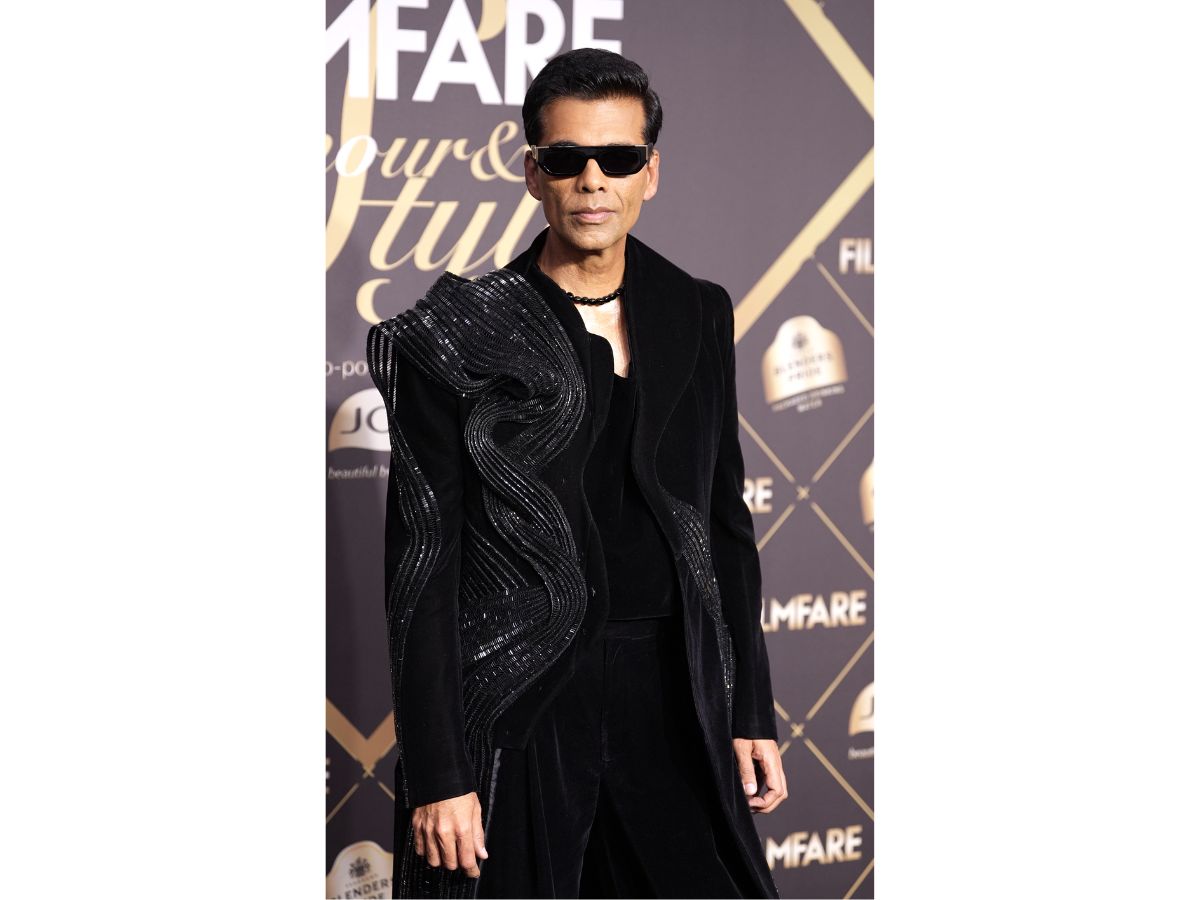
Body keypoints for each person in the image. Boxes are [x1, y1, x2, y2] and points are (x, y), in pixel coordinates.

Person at [366, 47, 787, 899]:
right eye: (567, 158)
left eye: (619, 158)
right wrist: (441, 772)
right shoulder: (460, 336)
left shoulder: (696, 310)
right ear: (533, 173)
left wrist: (748, 709)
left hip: (673, 693)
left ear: (650, 172)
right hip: (525, 703)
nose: (593, 181)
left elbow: (724, 526)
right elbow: (423, 572)